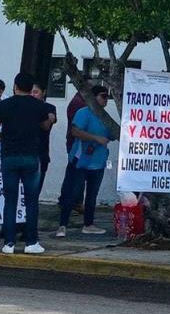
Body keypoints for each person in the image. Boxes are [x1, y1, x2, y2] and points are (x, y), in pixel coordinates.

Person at [0, 72, 51, 254]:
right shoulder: (39, 105)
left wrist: (3, 137)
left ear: (15, 86)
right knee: (31, 201)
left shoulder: (5, 105)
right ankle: (31, 242)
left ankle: (8, 243)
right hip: (31, 156)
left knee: (10, 201)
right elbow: (45, 126)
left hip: (9, 156)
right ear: (32, 89)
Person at [56, 85, 118, 238]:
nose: (106, 99)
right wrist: (96, 138)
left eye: (107, 97)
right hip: (81, 159)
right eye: (103, 96)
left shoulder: (105, 116)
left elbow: (112, 133)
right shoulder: (83, 113)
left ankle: (88, 224)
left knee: (92, 194)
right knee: (73, 192)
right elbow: (75, 131)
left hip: (98, 160)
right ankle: (62, 225)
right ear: (94, 97)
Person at [31, 83, 58, 191]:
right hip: (25, 152)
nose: (32, 95)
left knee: (36, 188)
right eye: (30, 92)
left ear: (44, 92)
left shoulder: (49, 108)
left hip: (41, 152)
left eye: (36, 92)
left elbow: (50, 120)